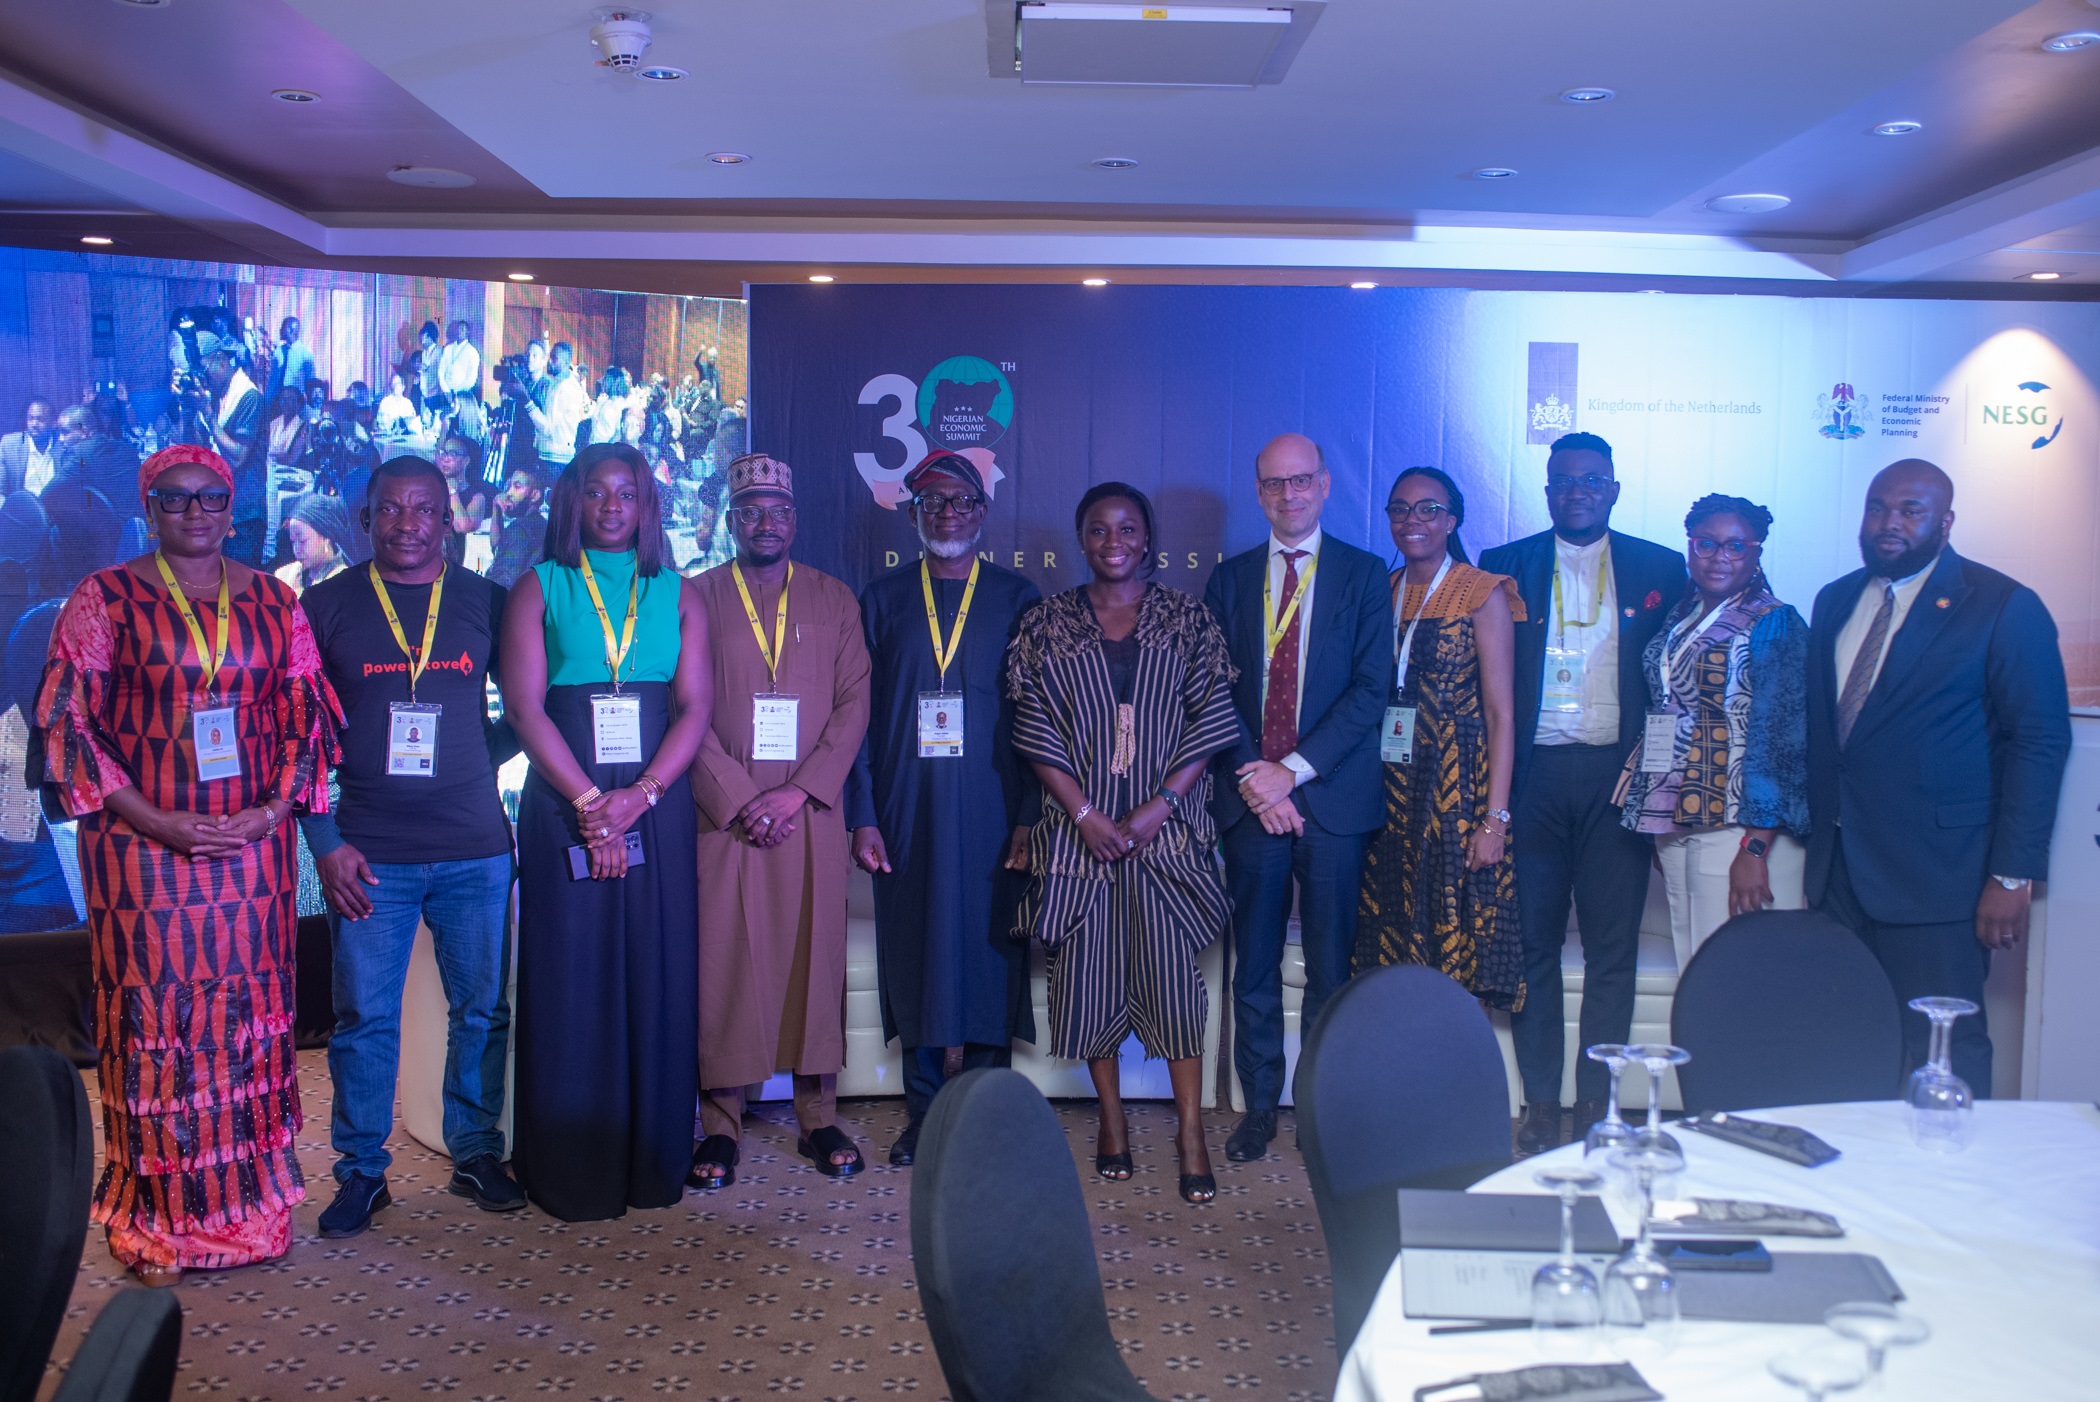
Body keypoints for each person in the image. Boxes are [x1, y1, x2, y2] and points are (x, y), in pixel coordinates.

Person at [27, 443, 342, 1284]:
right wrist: (154, 817)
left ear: (233, 507)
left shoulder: (275, 598)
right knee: (159, 1025)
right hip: (141, 853)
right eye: (175, 499)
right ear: (150, 506)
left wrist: (275, 809)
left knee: (246, 1017)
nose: (195, 513)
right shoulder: (106, 598)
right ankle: (161, 1222)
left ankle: (247, 1213)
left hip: (252, 850)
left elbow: (306, 712)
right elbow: (67, 724)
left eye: (210, 498)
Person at [301, 456, 525, 1238]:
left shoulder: (487, 603)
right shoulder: (325, 606)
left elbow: (527, 709)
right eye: (390, 510)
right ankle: (363, 1172)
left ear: (447, 519)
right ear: (366, 519)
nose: (406, 524)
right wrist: (323, 840)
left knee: (480, 1010)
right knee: (364, 1018)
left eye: (423, 510)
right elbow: (299, 735)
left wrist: (471, 751)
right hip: (369, 855)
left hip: (475, 849)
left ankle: (473, 1151)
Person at [1007, 482, 1240, 1205]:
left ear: (1148, 539)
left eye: (1129, 528)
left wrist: (1155, 808)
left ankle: (1190, 1132)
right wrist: (1085, 815)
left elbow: (1212, 720)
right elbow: (1033, 730)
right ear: (1082, 539)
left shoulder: (1189, 620)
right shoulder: (1046, 623)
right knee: (1089, 979)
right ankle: (1111, 1124)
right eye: (1100, 529)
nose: (1115, 540)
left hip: (1166, 838)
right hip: (1081, 841)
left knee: (1175, 986)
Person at [1805, 459, 2070, 1093]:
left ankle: (1955, 1182)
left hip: (1941, 877)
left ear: (1944, 522)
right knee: (1848, 1037)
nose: (1889, 523)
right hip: (1837, 870)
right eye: (1877, 507)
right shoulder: (1836, 598)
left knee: (1944, 1045)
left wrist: (2012, 874)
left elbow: (2038, 742)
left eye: (1910, 511)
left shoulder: (2002, 606)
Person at [500, 442, 711, 1220]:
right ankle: (572, 1168)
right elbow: (525, 710)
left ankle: (652, 1163)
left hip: (657, 801)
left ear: (649, 505)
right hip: (565, 798)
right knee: (574, 973)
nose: (613, 505)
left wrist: (642, 795)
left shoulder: (679, 593)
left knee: (655, 970)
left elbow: (694, 708)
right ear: (574, 501)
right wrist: (594, 805)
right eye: (598, 492)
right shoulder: (540, 587)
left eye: (628, 492)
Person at [1478, 431, 1685, 1153]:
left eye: (1593, 480)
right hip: (1532, 776)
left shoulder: (1661, 567)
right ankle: (1539, 1103)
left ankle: (1598, 1106)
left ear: (1615, 489)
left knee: (1612, 950)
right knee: (1533, 946)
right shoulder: (1503, 568)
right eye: (1564, 481)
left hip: (1615, 780)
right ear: (1546, 490)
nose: (1578, 492)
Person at [845, 451, 1041, 1165]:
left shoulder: (1018, 597)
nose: (948, 514)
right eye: (932, 502)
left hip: (994, 802)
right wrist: (862, 813)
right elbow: (854, 717)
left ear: (983, 513)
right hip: (907, 802)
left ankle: (989, 1106)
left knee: (993, 946)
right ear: (913, 514)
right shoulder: (884, 597)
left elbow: (1039, 718)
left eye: (961, 502)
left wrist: (1029, 817)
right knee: (917, 942)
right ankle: (925, 1110)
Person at [1200, 433, 1389, 1163]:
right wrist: (1257, 776)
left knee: (1330, 968)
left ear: (1326, 485)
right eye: (1274, 485)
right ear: (1258, 492)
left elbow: (1372, 690)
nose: (1289, 495)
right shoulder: (1230, 579)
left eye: (1301, 481)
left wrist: (1294, 771)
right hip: (1252, 804)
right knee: (1252, 964)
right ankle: (1257, 1109)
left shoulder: (1366, 576)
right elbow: (1213, 690)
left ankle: (1320, 1105)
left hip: (1333, 803)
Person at [688, 453, 872, 1188]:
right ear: (731, 522)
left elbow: (855, 703)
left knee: (811, 960)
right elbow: (682, 708)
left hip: (808, 817)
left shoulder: (833, 598)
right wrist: (736, 796)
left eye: (779, 511)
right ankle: (721, 1126)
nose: (766, 523)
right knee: (725, 962)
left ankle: (818, 1117)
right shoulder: (694, 598)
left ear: (796, 520)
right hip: (723, 818)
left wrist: (797, 793)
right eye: (750, 512)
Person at [1354, 467, 1526, 1006]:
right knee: (1392, 939)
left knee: (1454, 935)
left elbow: (1501, 715)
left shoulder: (1482, 592)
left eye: (1428, 509)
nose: (1413, 520)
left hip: (1457, 792)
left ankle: (1453, 1078)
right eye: (1400, 509)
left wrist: (1494, 819)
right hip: (1388, 792)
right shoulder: (1378, 591)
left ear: (1451, 521)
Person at [1616, 494, 1810, 970]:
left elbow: (1784, 741)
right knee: (1693, 969)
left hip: (1736, 824)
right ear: (1689, 547)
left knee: (1733, 978)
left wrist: (1755, 845)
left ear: (1757, 552)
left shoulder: (1774, 622)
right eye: (1706, 544)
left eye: (1735, 546)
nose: (1719, 557)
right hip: (1678, 815)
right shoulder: (1682, 615)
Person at [193, 331, 270, 567]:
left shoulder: (248, 397)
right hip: (221, 510)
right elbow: (198, 448)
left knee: (242, 589)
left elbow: (238, 457)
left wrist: (208, 416)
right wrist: (191, 411)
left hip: (245, 514)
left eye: (205, 371)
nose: (204, 379)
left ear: (220, 359)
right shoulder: (219, 396)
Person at [274, 492, 358, 593]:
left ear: (326, 538)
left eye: (303, 541)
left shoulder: (344, 583)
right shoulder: (285, 575)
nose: (297, 550)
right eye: (292, 542)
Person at [487, 466, 549, 588]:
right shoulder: (542, 524)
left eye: (517, 486)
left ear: (535, 495)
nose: (508, 493)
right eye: (508, 486)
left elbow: (506, 580)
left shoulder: (519, 529)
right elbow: (497, 547)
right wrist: (496, 510)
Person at [436, 433, 491, 569]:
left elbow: (462, 527)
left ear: (466, 461)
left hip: (455, 565)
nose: (445, 459)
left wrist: (453, 492)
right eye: (444, 453)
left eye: (453, 454)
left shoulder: (476, 497)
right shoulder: (430, 488)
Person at [1, 398, 58, 498]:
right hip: (21, 509)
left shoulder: (63, 444)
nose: (34, 424)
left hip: (57, 509)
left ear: (54, 423)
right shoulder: (9, 444)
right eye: (30, 418)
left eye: (40, 419)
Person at [436, 320, 481, 401]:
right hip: (446, 393)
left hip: (462, 394)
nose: (459, 331)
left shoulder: (472, 352)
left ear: (468, 332)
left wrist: (457, 392)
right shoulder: (448, 349)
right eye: (458, 329)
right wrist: (446, 391)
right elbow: (441, 371)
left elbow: (471, 378)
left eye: (462, 329)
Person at [273, 316, 316, 399]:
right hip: (278, 403)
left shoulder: (306, 356)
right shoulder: (278, 352)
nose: (280, 330)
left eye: (283, 327)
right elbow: (272, 380)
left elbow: (311, 384)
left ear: (291, 330)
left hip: (296, 404)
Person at [375, 373, 418, 441]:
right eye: (394, 384)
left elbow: (413, 422)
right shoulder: (385, 402)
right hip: (389, 439)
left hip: (407, 438)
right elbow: (381, 424)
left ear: (403, 387)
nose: (395, 386)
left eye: (398, 383)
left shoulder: (408, 403)